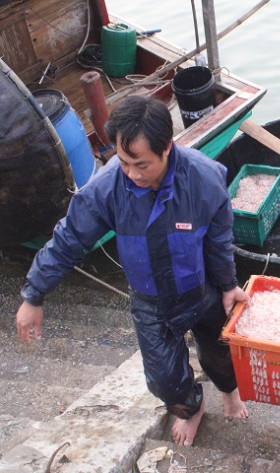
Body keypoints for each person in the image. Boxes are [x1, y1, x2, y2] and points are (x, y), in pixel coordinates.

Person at [15, 95, 251, 447]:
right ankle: (191, 407)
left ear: (167, 148)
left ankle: (230, 395)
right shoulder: (109, 187)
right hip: (151, 298)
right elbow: (69, 239)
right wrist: (34, 294)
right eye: (124, 162)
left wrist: (230, 284)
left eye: (141, 164)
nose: (131, 173)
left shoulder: (204, 179)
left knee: (221, 352)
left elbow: (219, 239)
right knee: (163, 381)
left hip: (201, 286)